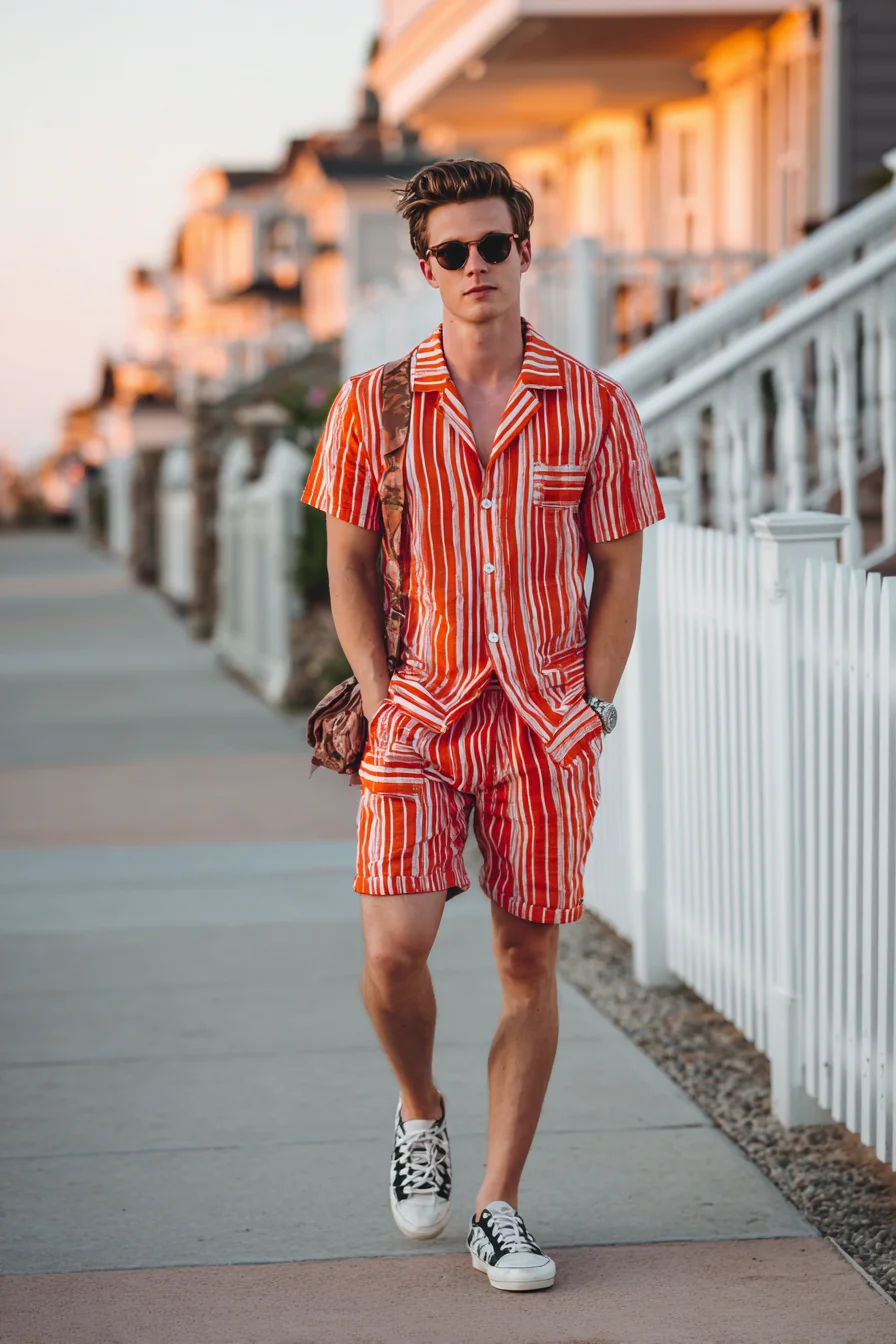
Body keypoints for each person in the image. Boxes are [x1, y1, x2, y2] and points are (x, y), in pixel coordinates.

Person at [301, 159, 665, 1292]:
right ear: (424, 268)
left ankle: (499, 1204)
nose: (474, 267)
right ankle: (420, 1111)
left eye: (491, 246)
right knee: (392, 952)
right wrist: (376, 695)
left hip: (543, 724)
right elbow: (348, 564)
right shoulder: (375, 404)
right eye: (451, 252)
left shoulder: (594, 404)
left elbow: (618, 562)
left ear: (523, 252)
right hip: (417, 710)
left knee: (525, 957)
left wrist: (591, 704)